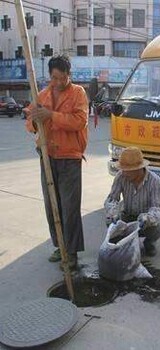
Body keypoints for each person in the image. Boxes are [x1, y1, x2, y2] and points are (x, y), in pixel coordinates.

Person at [24, 54, 89, 270]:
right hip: (47, 156)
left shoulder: (78, 93)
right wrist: (35, 120)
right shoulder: (41, 94)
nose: (59, 82)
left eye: (63, 78)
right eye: (55, 78)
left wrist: (51, 115)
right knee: (52, 205)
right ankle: (59, 246)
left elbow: (79, 121)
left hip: (70, 157)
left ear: (69, 75)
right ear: (50, 76)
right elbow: (29, 124)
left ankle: (71, 254)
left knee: (70, 207)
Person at [107, 147, 160, 257]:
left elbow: (157, 209)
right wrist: (112, 212)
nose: (124, 173)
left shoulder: (155, 181)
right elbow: (112, 199)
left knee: (157, 227)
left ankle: (149, 243)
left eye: (128, 170)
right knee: (110, 222)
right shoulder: (121, 176)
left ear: (138, 169)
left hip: (144, 220)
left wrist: (147, 218)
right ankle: (124, 242)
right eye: (123, 169)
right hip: (127, 216)